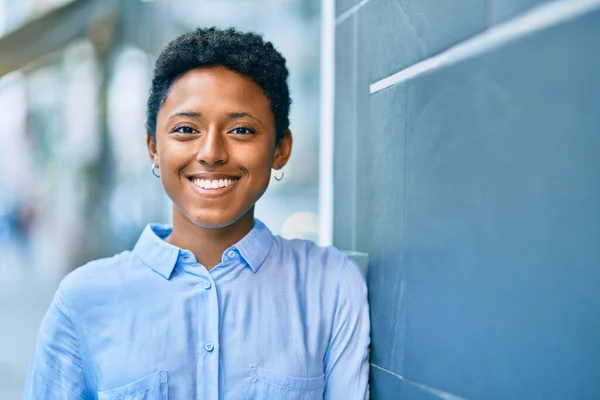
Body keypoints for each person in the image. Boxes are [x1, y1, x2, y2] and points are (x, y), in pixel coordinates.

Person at [24, 27, 370, 399]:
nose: (211, 152)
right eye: (186, 129)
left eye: (241, 130)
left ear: (280, 148)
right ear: (154, 148)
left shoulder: (331, 287)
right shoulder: (83, 299)